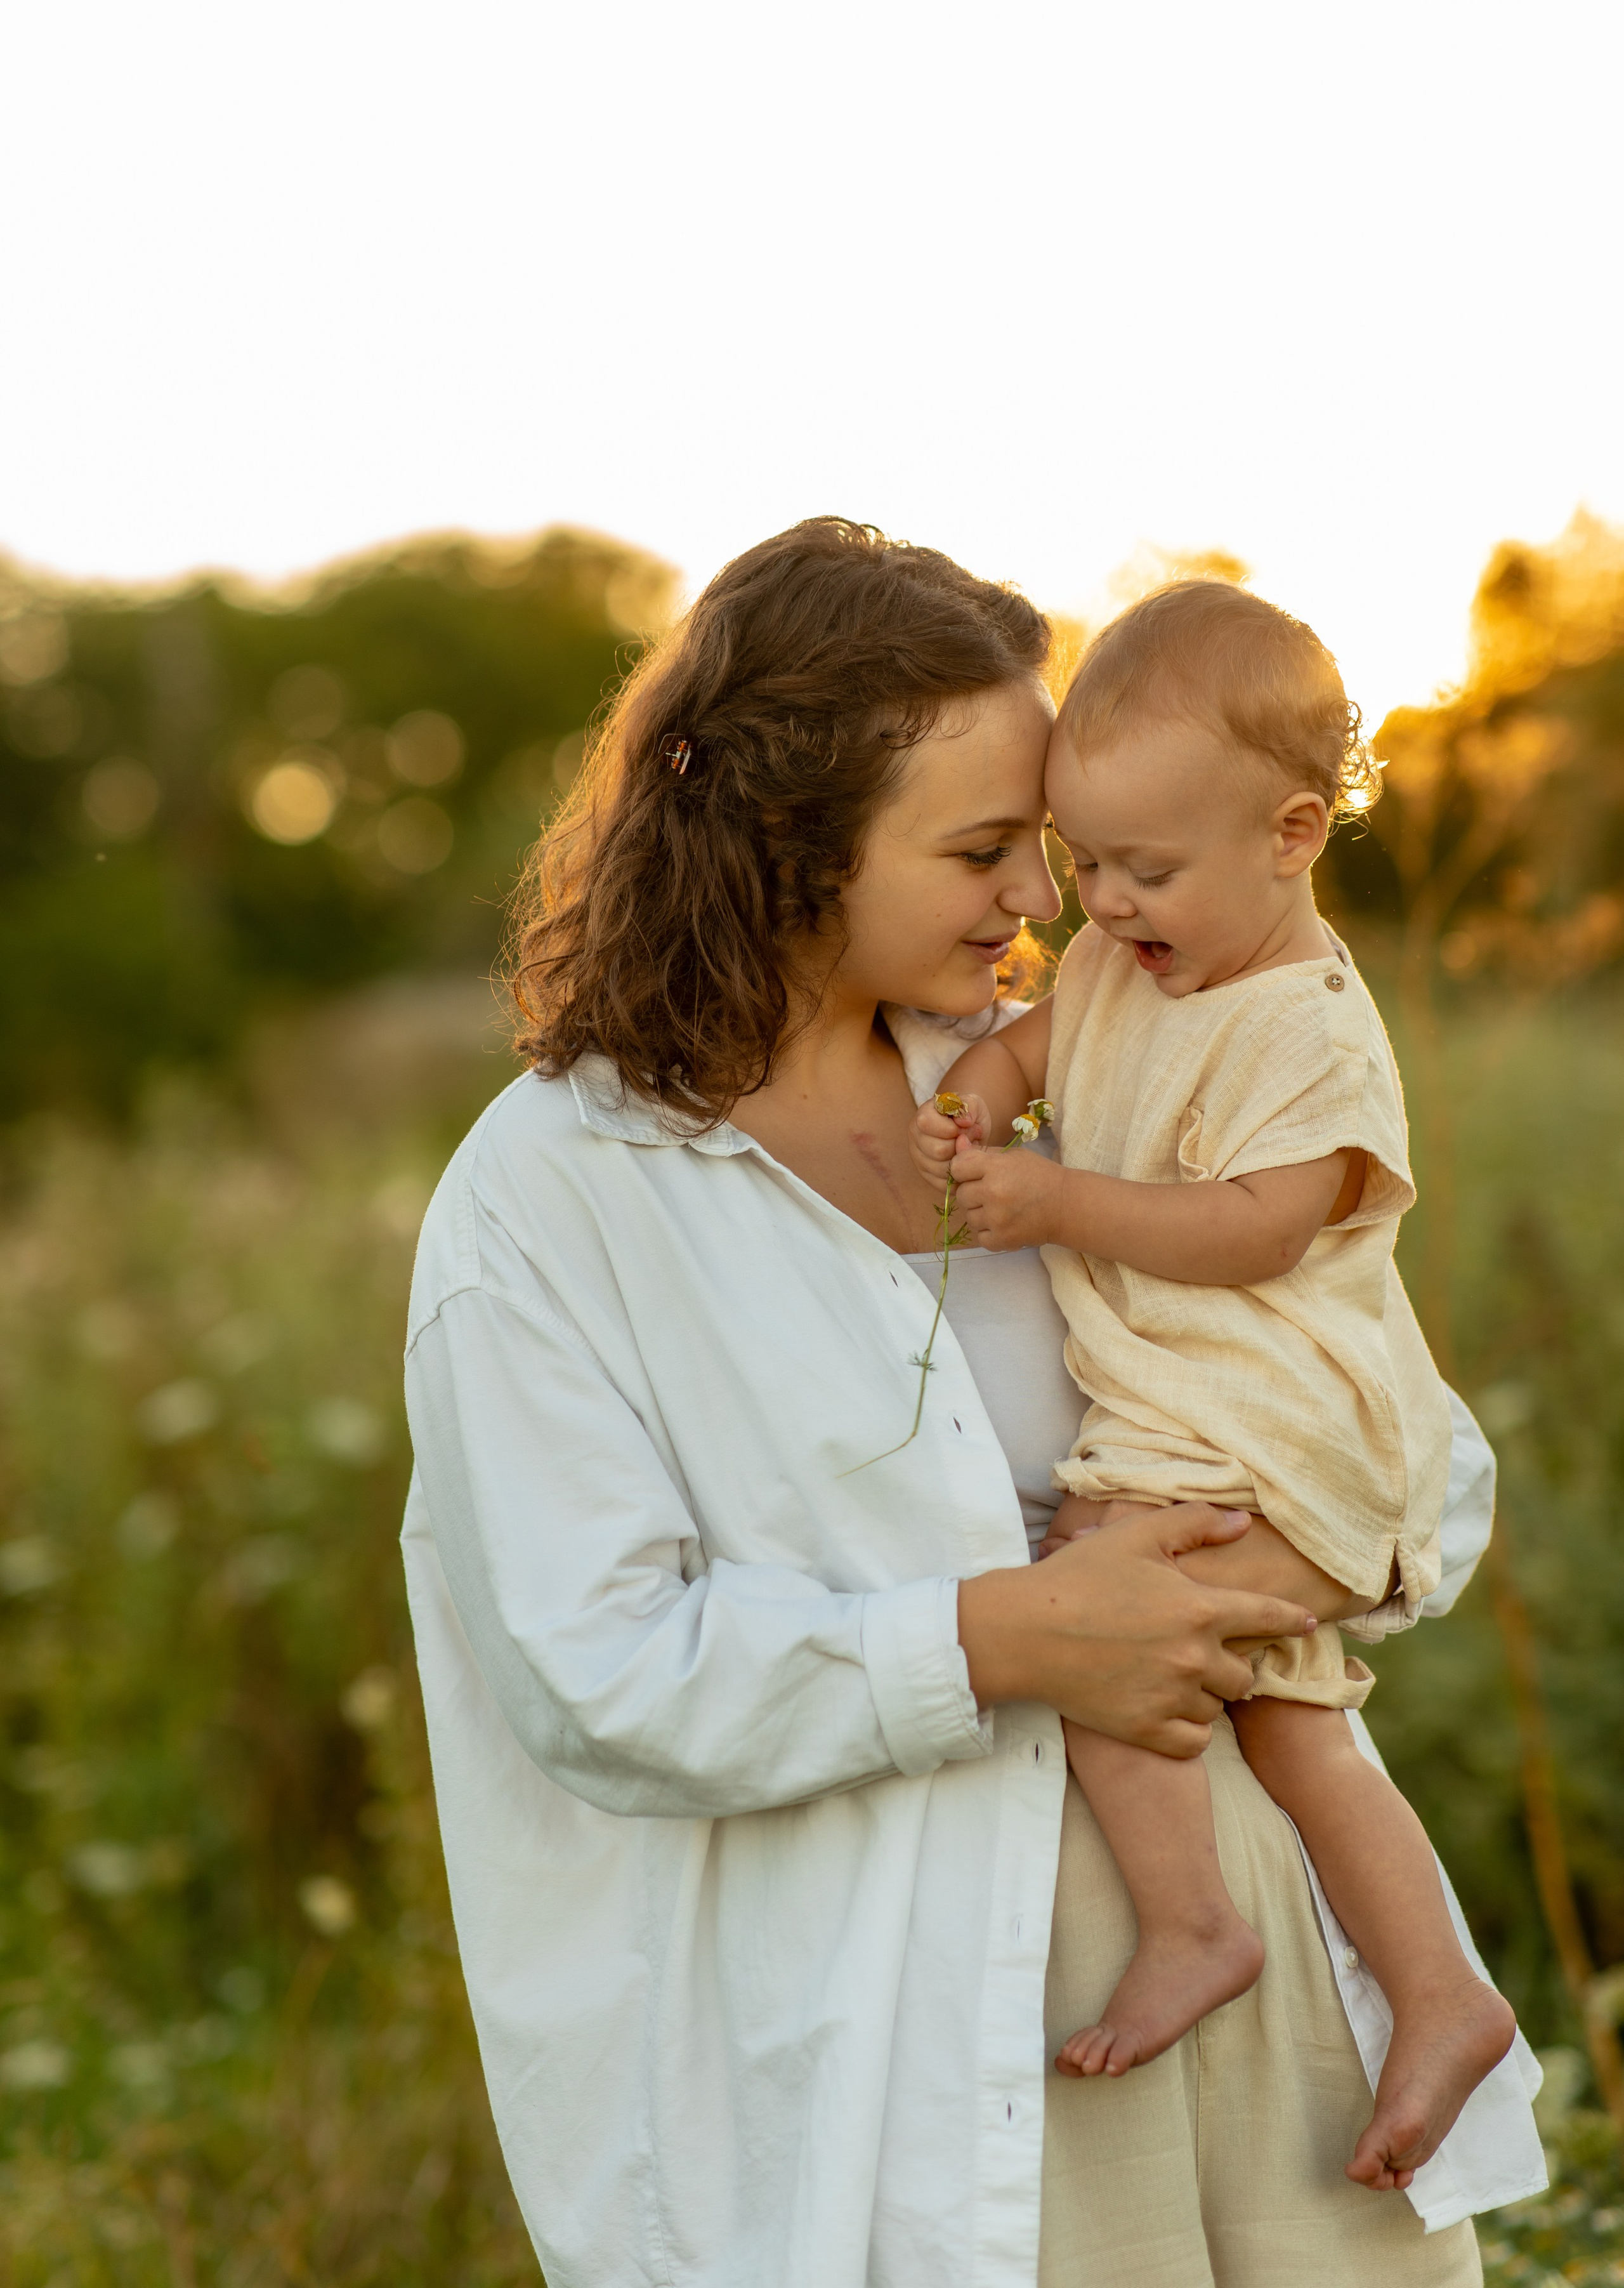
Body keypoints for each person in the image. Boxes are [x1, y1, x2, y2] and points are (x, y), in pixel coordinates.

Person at [402, 520, 1541, 2288]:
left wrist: (1264, 1565)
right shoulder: (559, 1196)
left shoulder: (1074, 1072)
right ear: (790, 845)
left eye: (1057, 844)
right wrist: (1008, 1637)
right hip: (937, 2050)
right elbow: (593, 1672)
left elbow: (1416, 1449)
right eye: (986, 848)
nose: (1049, 897)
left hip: (1267, 1985)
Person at [911, 580, 1516, 2195]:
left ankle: (1192, 1927)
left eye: (1145, 868)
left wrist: (1054, 1204)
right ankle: (1443, 1995)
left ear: (1291, 833)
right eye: (1079, 862)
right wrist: (978, 1092)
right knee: (1294, 1727)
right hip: (1201, 1429)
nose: (1100, 903)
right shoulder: (1135, 958)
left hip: (1290, 1432)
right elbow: (1039, 1048)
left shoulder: (1305, 1030)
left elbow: (1256, 1232)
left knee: (1093, 1614)